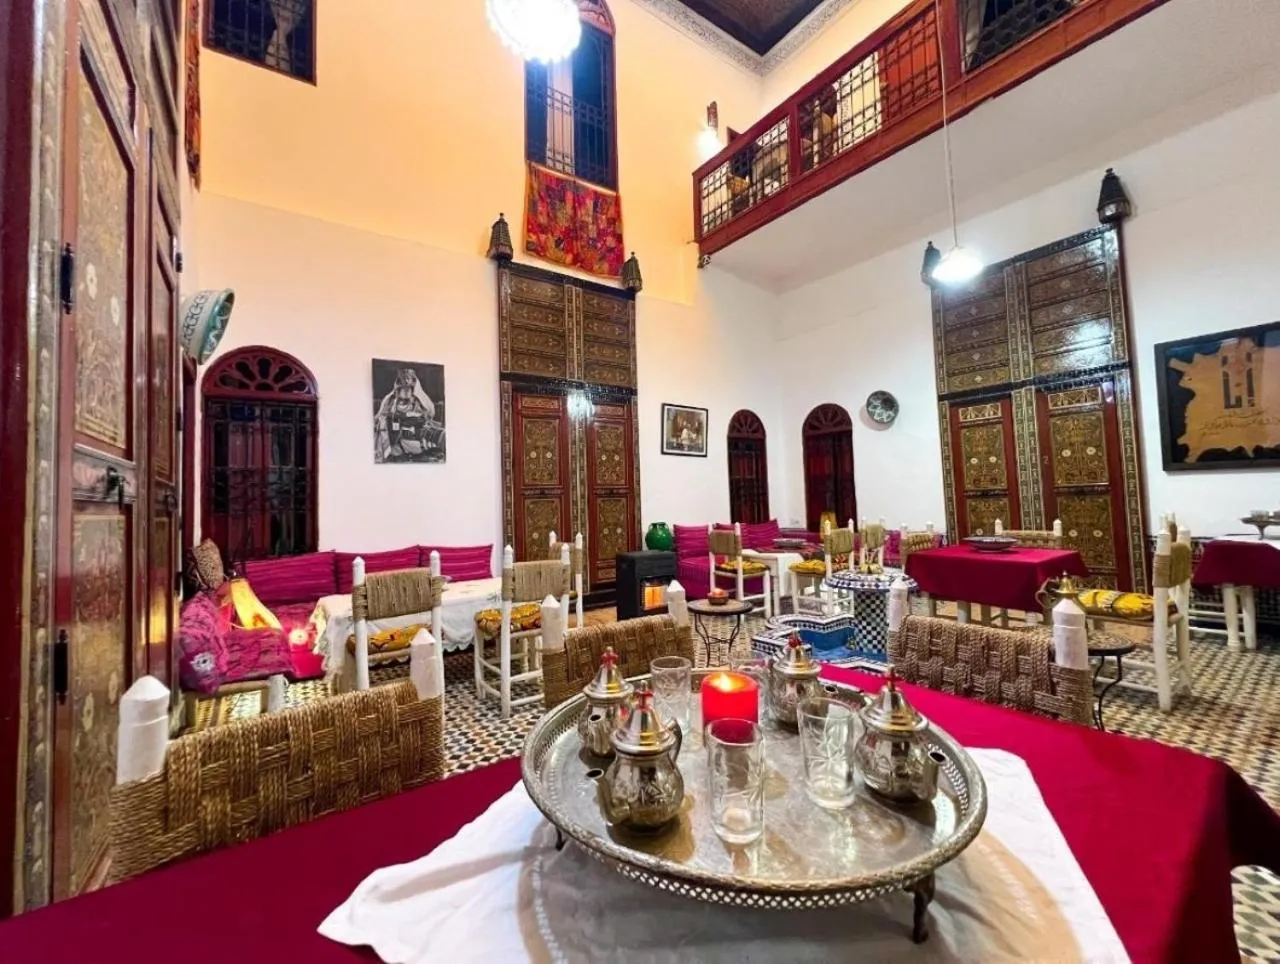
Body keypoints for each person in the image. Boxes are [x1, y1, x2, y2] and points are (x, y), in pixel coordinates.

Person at [374, 367, 445, 462]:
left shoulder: (417, 401)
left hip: (416, 437)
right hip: (397, 440)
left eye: (408, 383)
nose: (405, 389)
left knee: (440, 437)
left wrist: (418, 394)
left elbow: (431, 412)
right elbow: (380, 415)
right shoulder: (392, 401)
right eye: (403, 386)